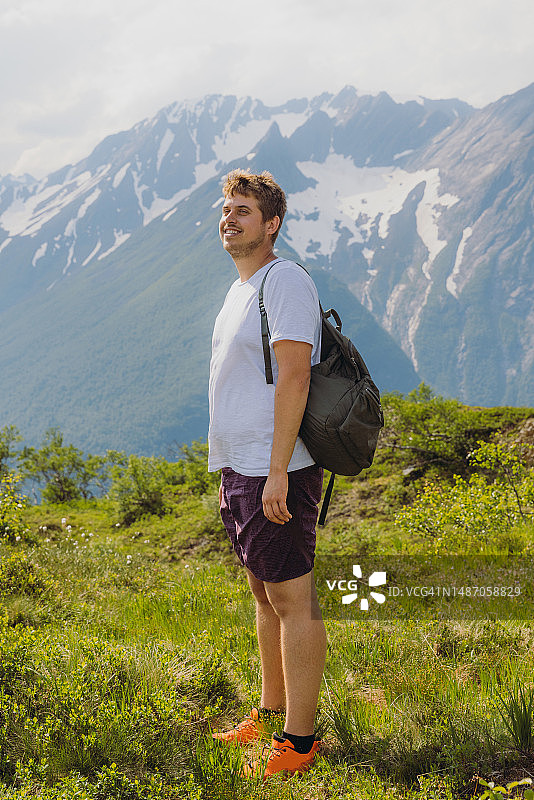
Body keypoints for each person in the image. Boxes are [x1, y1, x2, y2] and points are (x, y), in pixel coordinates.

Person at [208, 169, 326, 779]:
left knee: (293, 599)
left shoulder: (283, 282)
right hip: (240, 465)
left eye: (244, 210)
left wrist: (278, 470)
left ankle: (299, 744)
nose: (229, 218)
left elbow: (295, 376)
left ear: (271, 223)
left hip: (273, 468)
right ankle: (270, 713)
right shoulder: (242, 288)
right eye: (225, 209)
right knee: (264, 593)